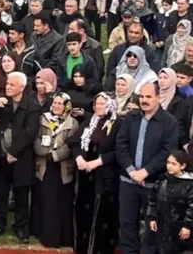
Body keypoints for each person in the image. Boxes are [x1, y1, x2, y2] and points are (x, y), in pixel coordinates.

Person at [116, 82, 179, 254]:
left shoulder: (169, 122)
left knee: (152, 227)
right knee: (127, 224)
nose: (144, 100)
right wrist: (131, 170)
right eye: (142, 96)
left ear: (158, 97)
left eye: (149, 96)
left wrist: (146, 171)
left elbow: (168, 151)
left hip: (154, 184)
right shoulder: (131, 117)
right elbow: (121, 145)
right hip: (128, 181)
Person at [0, 71, 40, 243]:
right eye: (7, 84)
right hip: (1, 156)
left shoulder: (31, 105)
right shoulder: (3, 102)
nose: (7, 87)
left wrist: (14, 151)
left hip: (21, 157)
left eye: (11, 84)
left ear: (22, 87)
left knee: (21, 195)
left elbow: (30, 132)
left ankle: (21, 227)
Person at [69, 92, 123, 254]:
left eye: (102, 104)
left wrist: (97, 162)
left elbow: (118, 151)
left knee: (102, 218)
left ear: (110, 105)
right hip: (86, 176)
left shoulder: (118, 124)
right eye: (96, 104)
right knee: (83, 214)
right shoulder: (90, 121)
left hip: (106, 178)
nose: (98, 107)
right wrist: (79, 158)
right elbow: (75, 141)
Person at [31, 92, 79, 248]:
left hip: (62, 168)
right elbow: (36, 138)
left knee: (61, 202)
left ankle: (62, 237)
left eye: (60, 104)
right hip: (44, 166)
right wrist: (43, 152)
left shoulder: (72, 123)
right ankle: (44, 235)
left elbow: (70, 145)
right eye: (55, 103)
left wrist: (56, 155)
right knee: (46, 200)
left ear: (66, 106)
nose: (57, 106)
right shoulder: (42, 119)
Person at [147, 150, 193, 254]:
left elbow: (192, 207)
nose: (169, 166)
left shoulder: (189, 184)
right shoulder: (162, 179)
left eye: (173, 163)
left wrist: (187, 226)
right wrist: (152, 217)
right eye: (168, 162)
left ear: (182, 165)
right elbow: (152, 198)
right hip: (162, 225)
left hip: (179, 228)